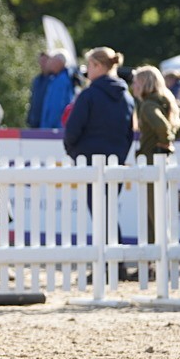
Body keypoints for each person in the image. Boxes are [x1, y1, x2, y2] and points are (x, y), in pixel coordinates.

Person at [64, 47, 134, 243]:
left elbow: (72, 130)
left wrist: (74, 152)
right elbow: (129, 134)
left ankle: (110, 255)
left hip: (91, 161)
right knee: (108, 211)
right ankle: (113, 254)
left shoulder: (89, 95)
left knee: (100, 213)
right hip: (115, 161)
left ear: (98, 65)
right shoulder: (126, 97)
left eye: (90, 65)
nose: (87, 70)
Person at [133, 66, 180, 245]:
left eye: (136, 82)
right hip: (160, 160)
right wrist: (172, 137)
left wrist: (166, 140)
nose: (133, 86)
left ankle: (157, 250)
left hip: (152, 160)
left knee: (153, 210)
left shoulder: (148, 105)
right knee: (156, 208)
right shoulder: (164, 102)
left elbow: (161, 127)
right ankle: (156, 249)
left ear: (144, 84)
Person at [39, 50, 77, 129]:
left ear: (59, 63)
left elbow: (56, 106)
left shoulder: (62, 80)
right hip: (52, 127)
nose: (50, 64)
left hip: (55, 128)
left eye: (53, 62)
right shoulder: (55, 79)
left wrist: (49, 126)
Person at [26, 51, 50, 128]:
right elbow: (32, 100)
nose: (43, 64)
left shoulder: (53, 80)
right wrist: (29, 118)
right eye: (41, 61)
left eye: (45, 61)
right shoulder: (36, 80)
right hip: (34, 122)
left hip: (46, 124)